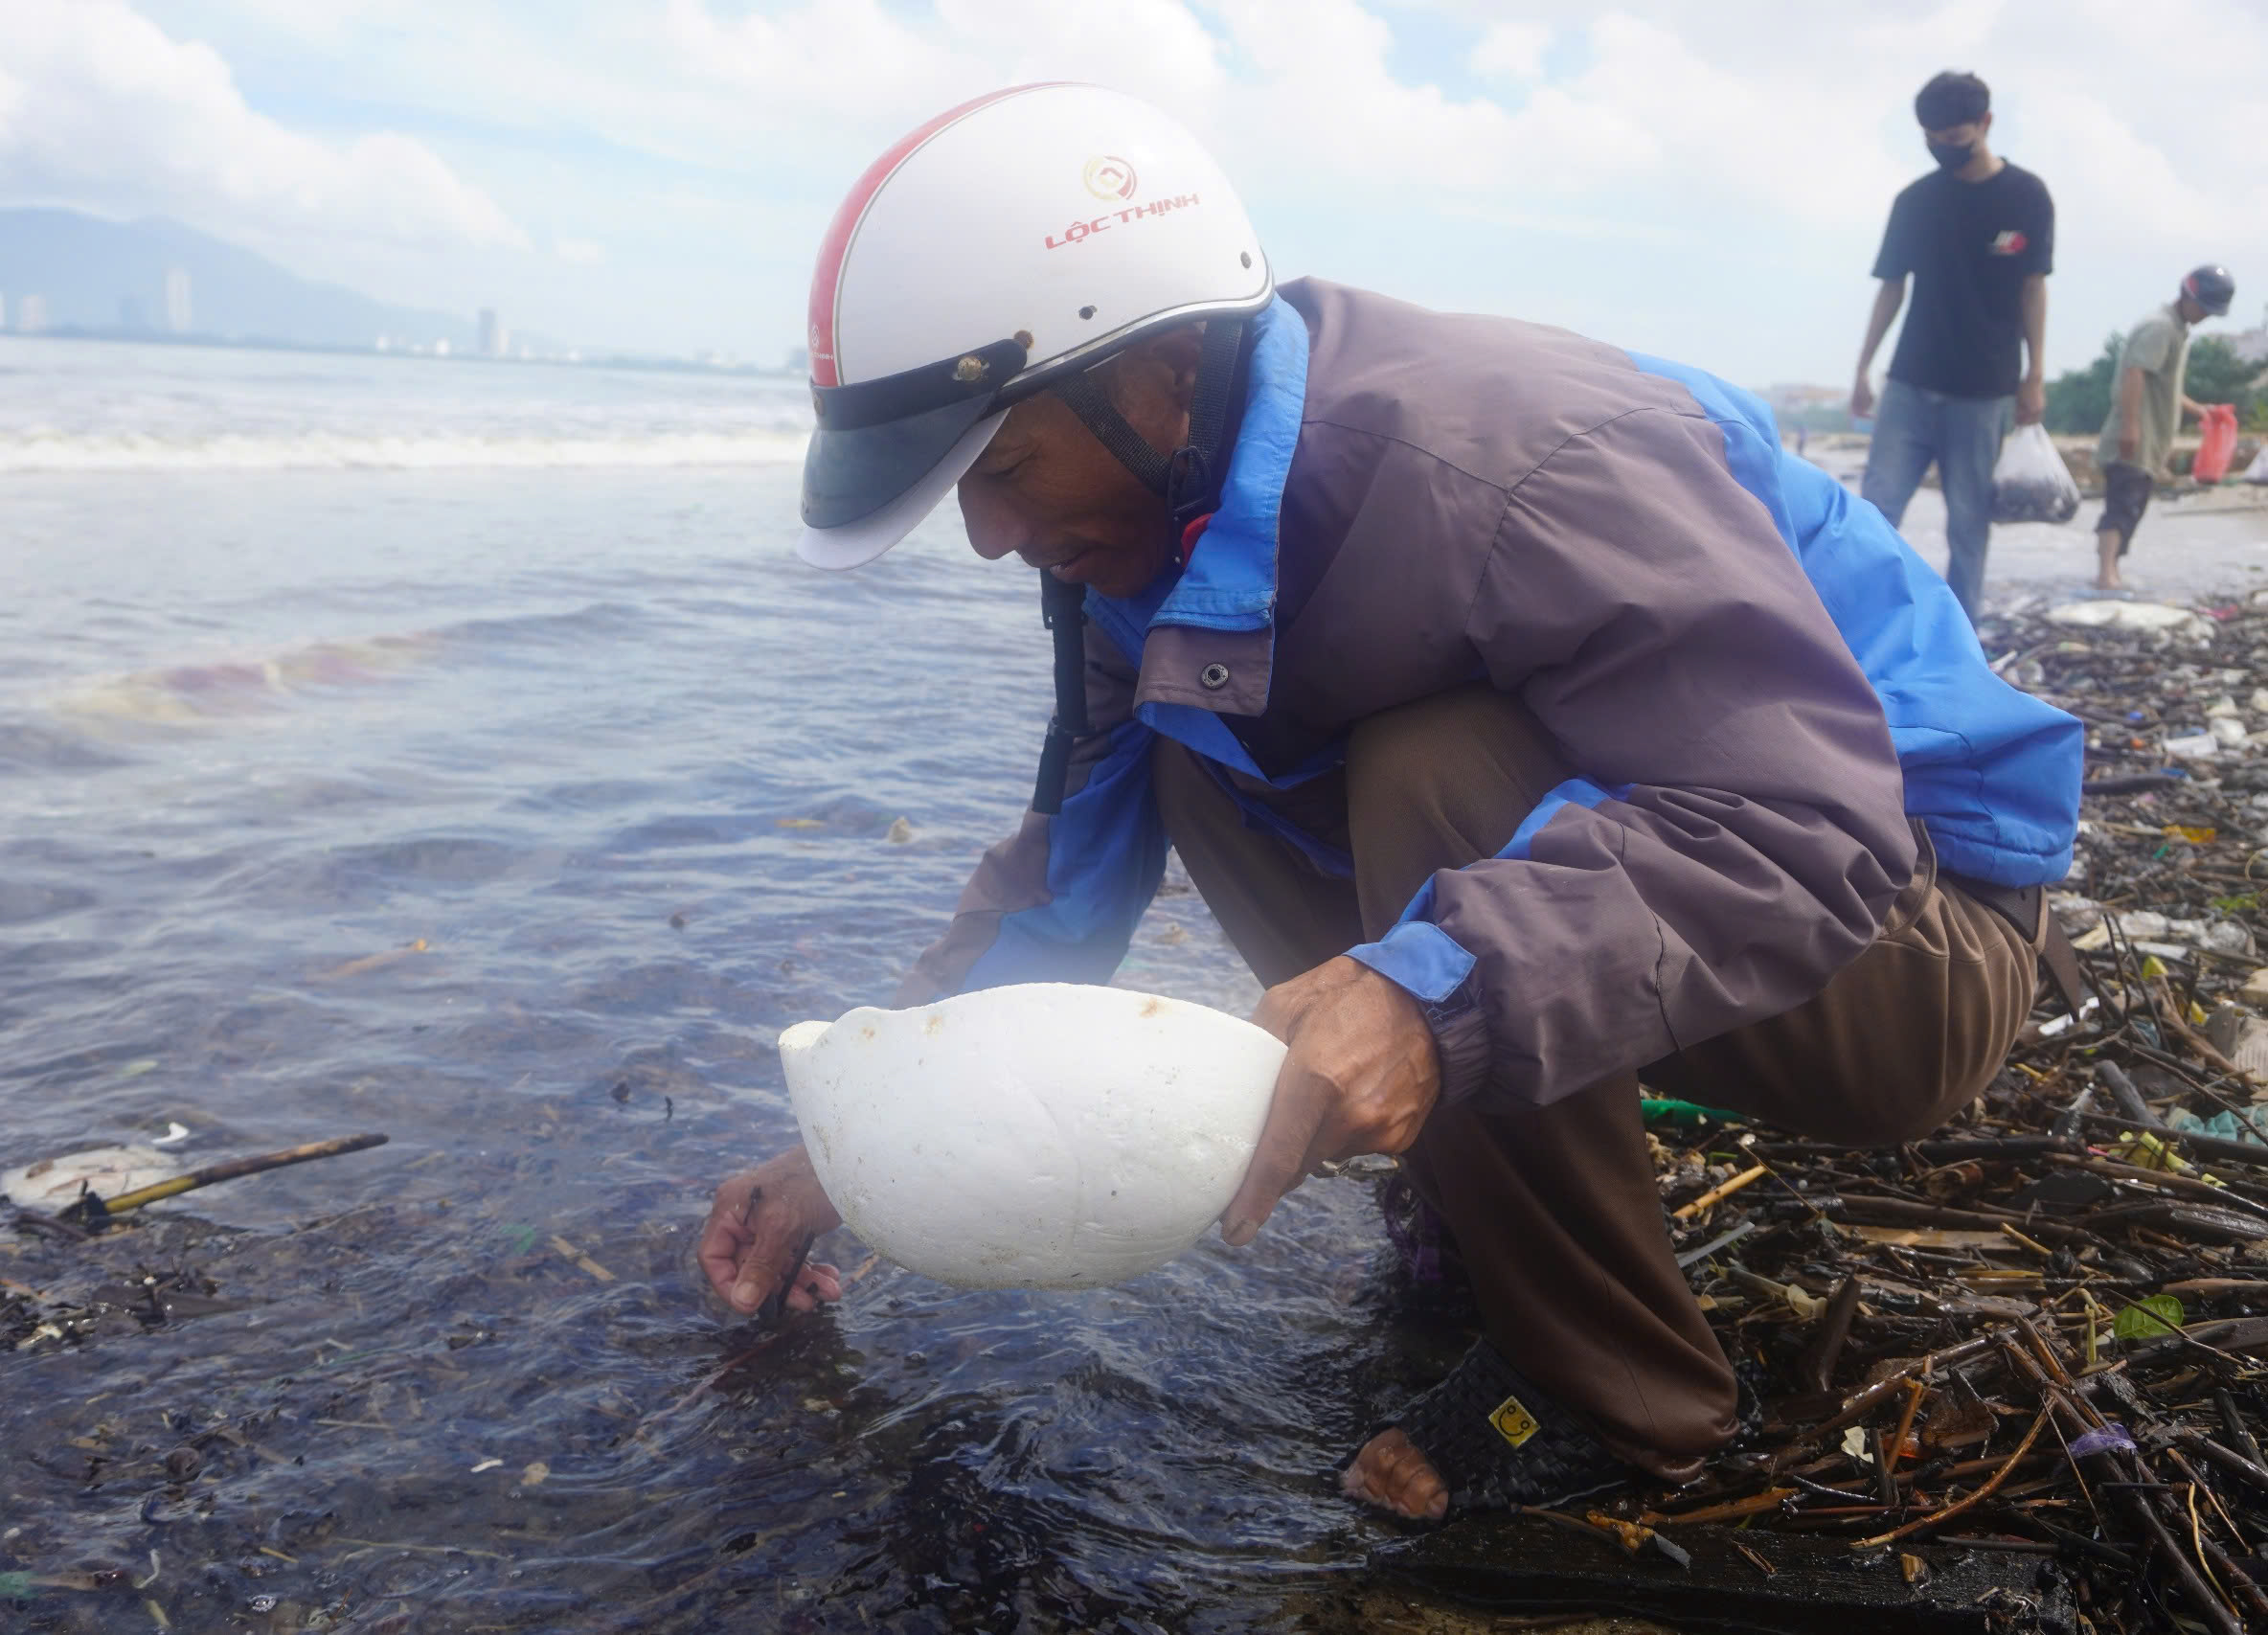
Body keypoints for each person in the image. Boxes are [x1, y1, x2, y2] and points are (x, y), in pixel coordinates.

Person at [700, 83, 2082, 1522]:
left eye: (1000, 467)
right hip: (1733, 879)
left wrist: (1433, 1001)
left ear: (1161, 371)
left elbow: (1808, 820)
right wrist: (851, 1143)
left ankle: (1616, 1388)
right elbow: (1068, 870)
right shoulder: (1144, 544)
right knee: (1195, 761)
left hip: (1922, 923)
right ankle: (1480, 1188)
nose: (991, 539)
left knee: (1433, 772)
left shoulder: (1503, 464)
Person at [1850, 71, 2053, 623]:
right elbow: (1892, 285)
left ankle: (1962, 638)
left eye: (1954, 136)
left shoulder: (2027, 197)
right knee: (1874, 511)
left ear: (1986, 123)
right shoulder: (1915, 201)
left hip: (1986, 391)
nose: (1942, 147)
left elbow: (2034, 287)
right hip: (1911, 382)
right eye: (1931, 138)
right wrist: (1864, 368)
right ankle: (1857, 622)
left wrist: (2034, 375)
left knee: (1968, 524)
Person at [2095, 265, 2236, 590]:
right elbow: (2135, 374)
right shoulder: (2160, 328)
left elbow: (2164, 387)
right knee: (2122, 504)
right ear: (2188, 294)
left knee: (2133, 505)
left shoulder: (2175, 329)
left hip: (2148, 438)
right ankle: (2105, 575)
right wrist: (2130, 428)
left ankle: (2110, 571)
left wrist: (2201, 410)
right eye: (2203, 307)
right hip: (2135, 437)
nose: (2204, 315)